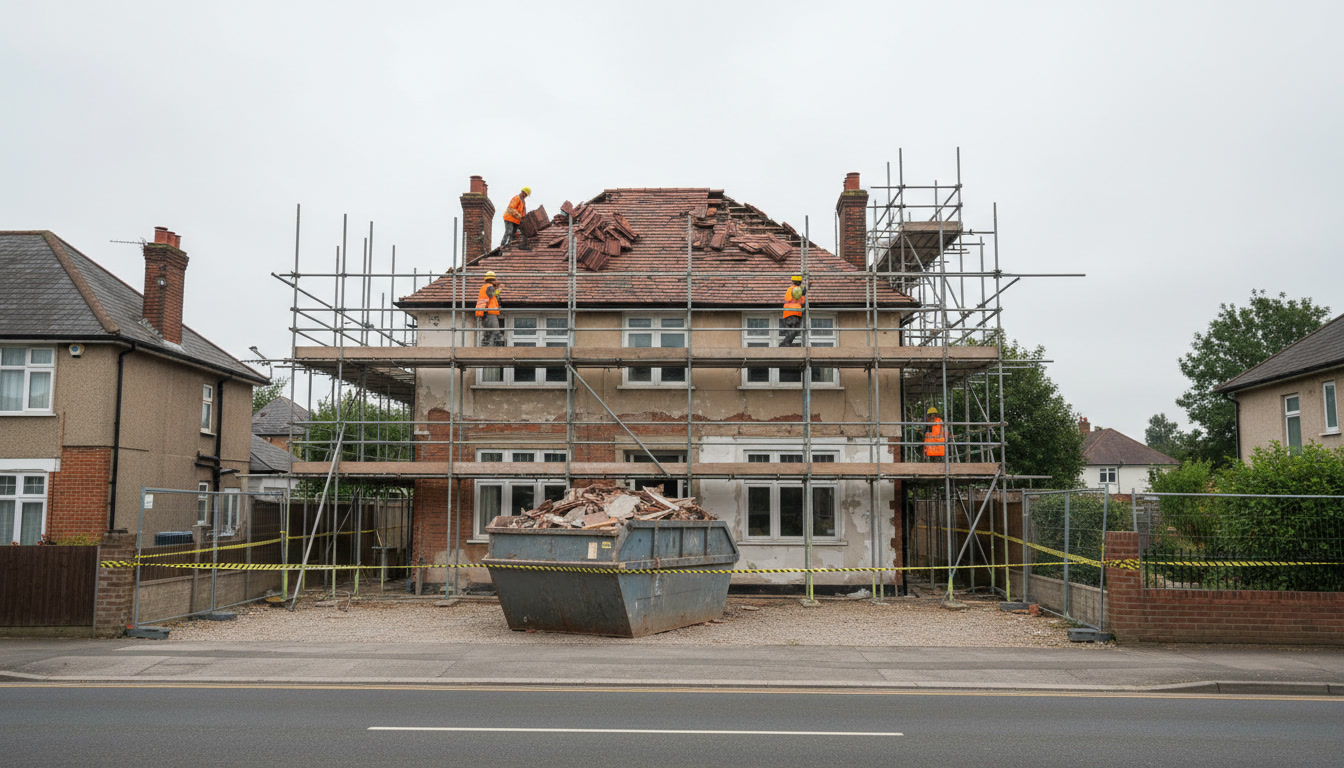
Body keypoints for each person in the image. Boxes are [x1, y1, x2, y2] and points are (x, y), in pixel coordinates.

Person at [475, 271, 504, 347]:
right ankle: (499, 351)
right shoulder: (489, 287)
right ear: (492, 279)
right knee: (496, 333)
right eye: (495, 279)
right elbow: (493, 295)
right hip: (489, 313)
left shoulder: (484, 287)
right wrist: (499, 289)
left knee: (488, 334)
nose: (496, 281)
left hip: (484, 313)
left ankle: (483, 350)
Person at [780, 275, 806, 347]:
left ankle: (786, 344)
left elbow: (801, 300)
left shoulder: (793, 289)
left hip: (794, 313)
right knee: (793, 331)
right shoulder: (795, 289)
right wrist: (804, 290)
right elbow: (797, 294)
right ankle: (784, 345)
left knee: (795, 331)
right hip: (792, 313)